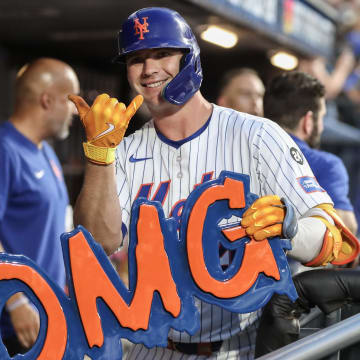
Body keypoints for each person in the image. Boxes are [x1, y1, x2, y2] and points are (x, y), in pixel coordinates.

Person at [69, 7, 359, 359]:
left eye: (162, 54)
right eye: (136, 59)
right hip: (155, 348)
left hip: (244, 345)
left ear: (190, 59)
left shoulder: (257, 135)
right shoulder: (125, 151)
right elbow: (98, 240)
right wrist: (99, 155)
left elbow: (336, 239)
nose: (148, 69)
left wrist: (289, 227)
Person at [0, 57, 80, 355]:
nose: (76, 111)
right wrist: (16, 302)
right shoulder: (5, 150)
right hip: (14, 327)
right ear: (47, 100)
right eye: (71, 100)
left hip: (48, 315)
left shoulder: (45, 151)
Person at [263, 71, 358, 236]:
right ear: (307, 122)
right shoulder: (327, 165)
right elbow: (346, 233)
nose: (321, 127)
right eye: (321, 118)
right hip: (292, 262)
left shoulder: (244, 150)